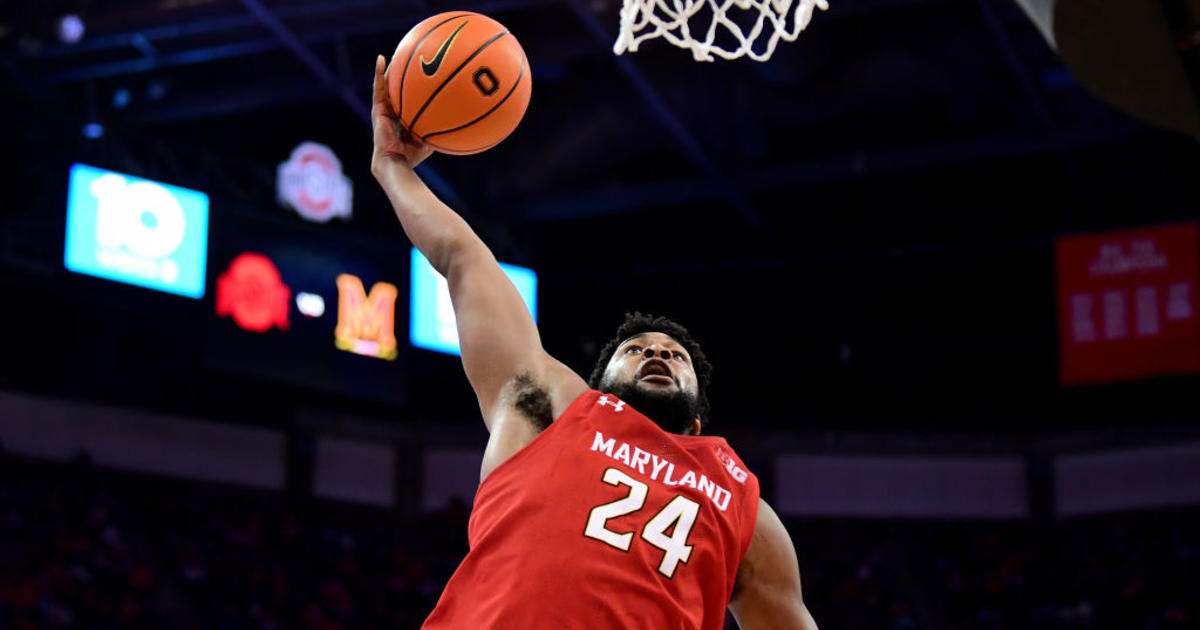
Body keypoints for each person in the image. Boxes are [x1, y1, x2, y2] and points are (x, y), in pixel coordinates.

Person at [369, 55, 818, 630]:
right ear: (598, 383)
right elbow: (464, 259)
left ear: (698, 423)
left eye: (675, 357)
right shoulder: (551, 407)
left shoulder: (742, 506)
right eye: (636, 350)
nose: (656, 354)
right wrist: (393, 169)